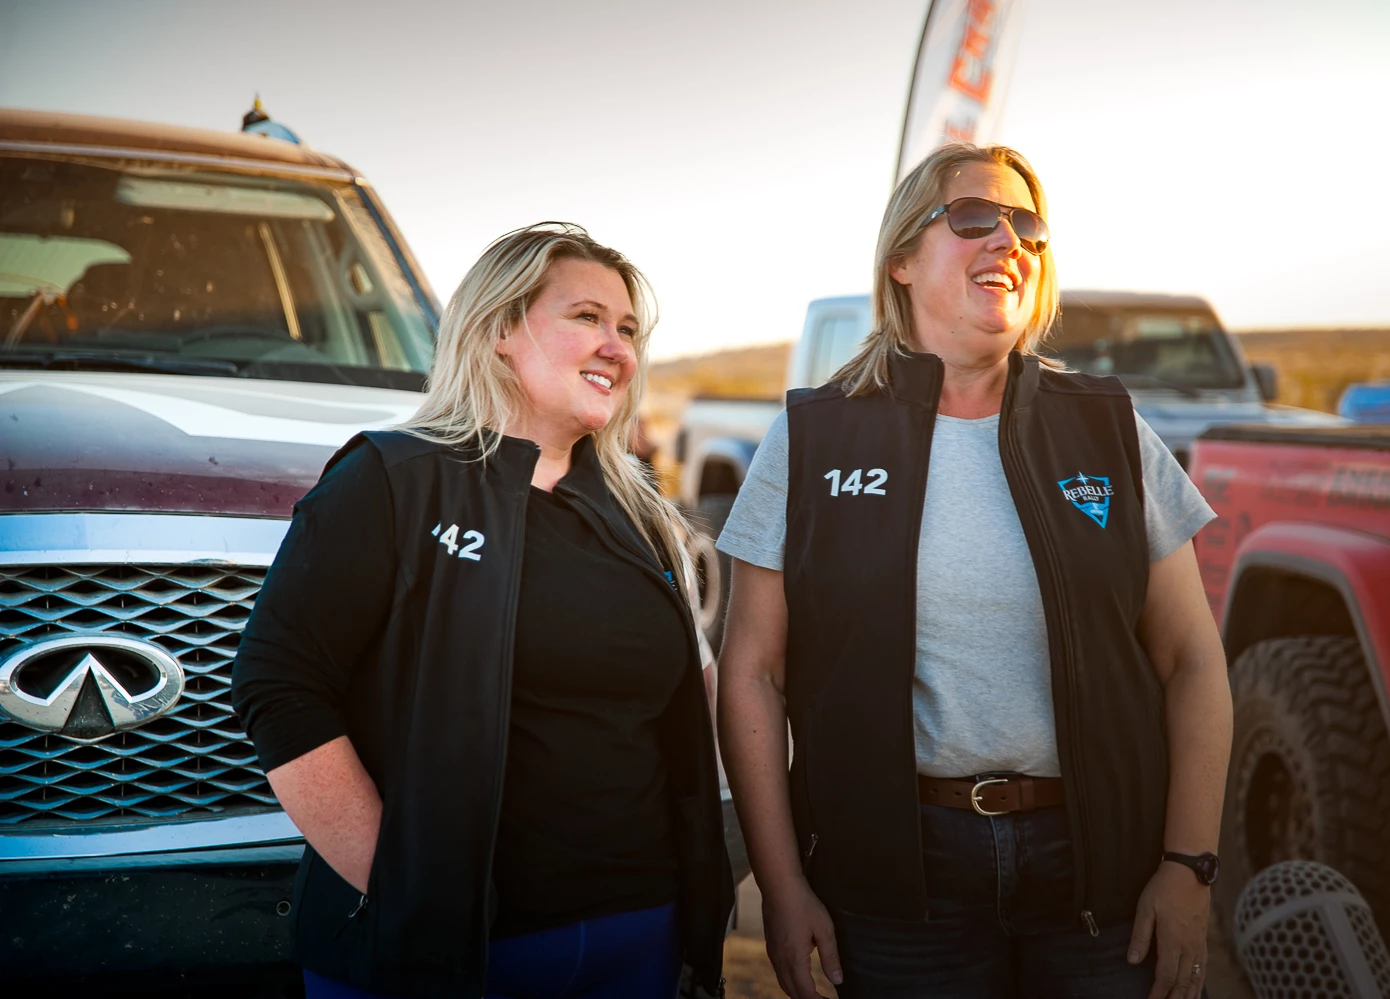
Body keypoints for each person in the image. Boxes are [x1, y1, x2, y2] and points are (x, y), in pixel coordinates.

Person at [715, 144, 1232, 999]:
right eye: (972, 218)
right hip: (895, 879)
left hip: (1099, 870)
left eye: (1026, 224)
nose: (1009, 241)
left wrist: (1187, 864)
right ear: (902, 261)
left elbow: (1192, 659)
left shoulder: (1105, 429)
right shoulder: (812, 440)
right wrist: (781, 883)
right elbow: (751, 671)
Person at [232, 223, 733, 999]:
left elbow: (697, 697)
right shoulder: (389, 479)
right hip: (442, 953)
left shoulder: (642, 516)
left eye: (628, 329)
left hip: (637, 935)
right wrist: (404, 891)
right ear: (499, 328)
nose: (617, 347)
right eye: (586, 318)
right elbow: (280, 683)